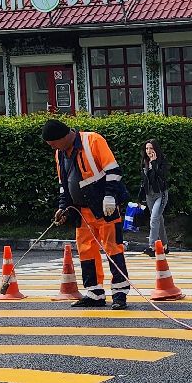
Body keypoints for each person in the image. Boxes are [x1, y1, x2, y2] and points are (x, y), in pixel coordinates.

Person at [43, 118, 132, 308]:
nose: (52, 148)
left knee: (113, 248)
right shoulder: (60, 154)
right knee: (86, 250)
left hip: (104, 208)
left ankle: (120, 293)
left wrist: (109, 197)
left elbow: (114, 171)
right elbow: (64, 185)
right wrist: (62, 207)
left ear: (64, 136)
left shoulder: (93, 141)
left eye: (53, 144)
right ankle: (94, 293)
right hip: (82, 212)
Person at [141, 139, 170, 251]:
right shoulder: (144, 162)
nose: (148, 151)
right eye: (147, 148)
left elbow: (162, 176)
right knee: (159, 219)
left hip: (160, 194)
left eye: (151, 148)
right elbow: (144, 181)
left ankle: (152, 246)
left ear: (156, 149)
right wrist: (140, 198)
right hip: (149, 195)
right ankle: (165, 245)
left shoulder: (162, 161)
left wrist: (154, 163)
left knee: (154, 219)